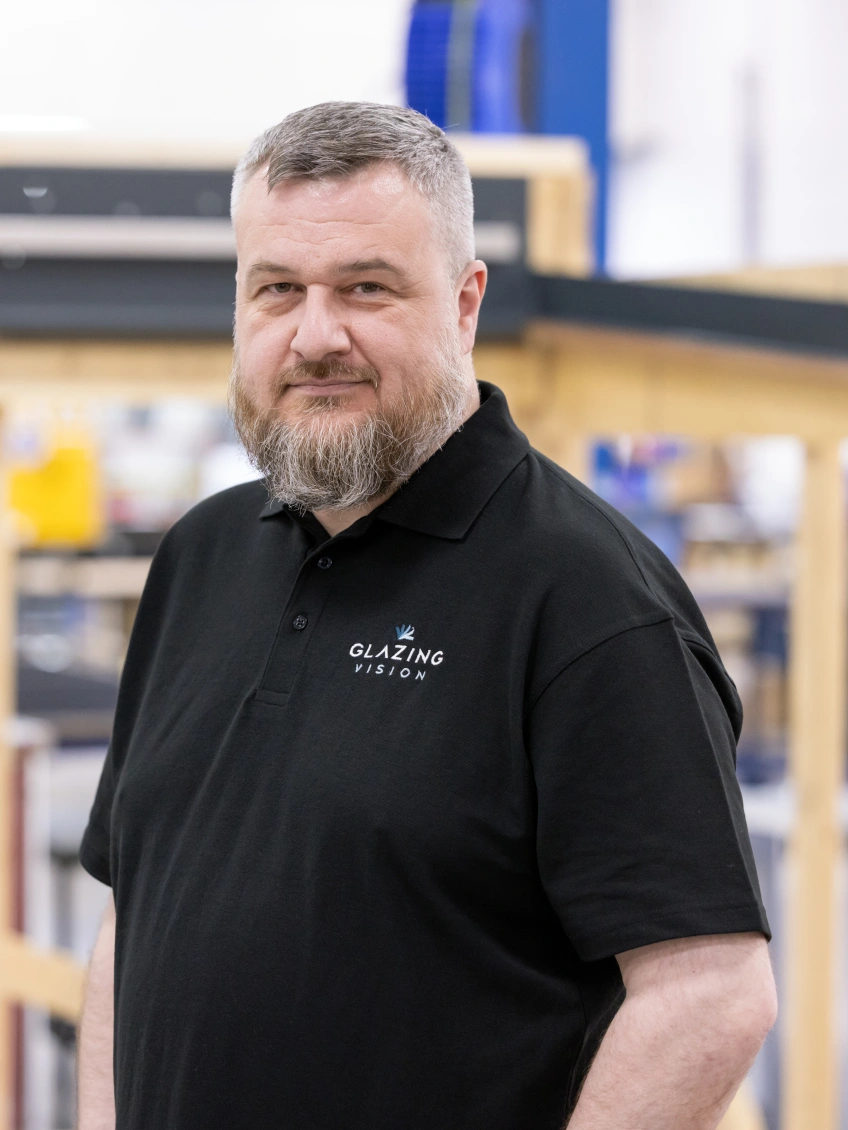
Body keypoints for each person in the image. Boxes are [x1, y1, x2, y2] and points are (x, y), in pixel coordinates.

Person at [78, 102, 776, 1130]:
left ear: (462, 303)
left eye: (366, 287)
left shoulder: (585, 594)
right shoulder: (201, 554)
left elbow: (709, 993)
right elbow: (134, 914)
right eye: (277, 290)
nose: (315, 335)